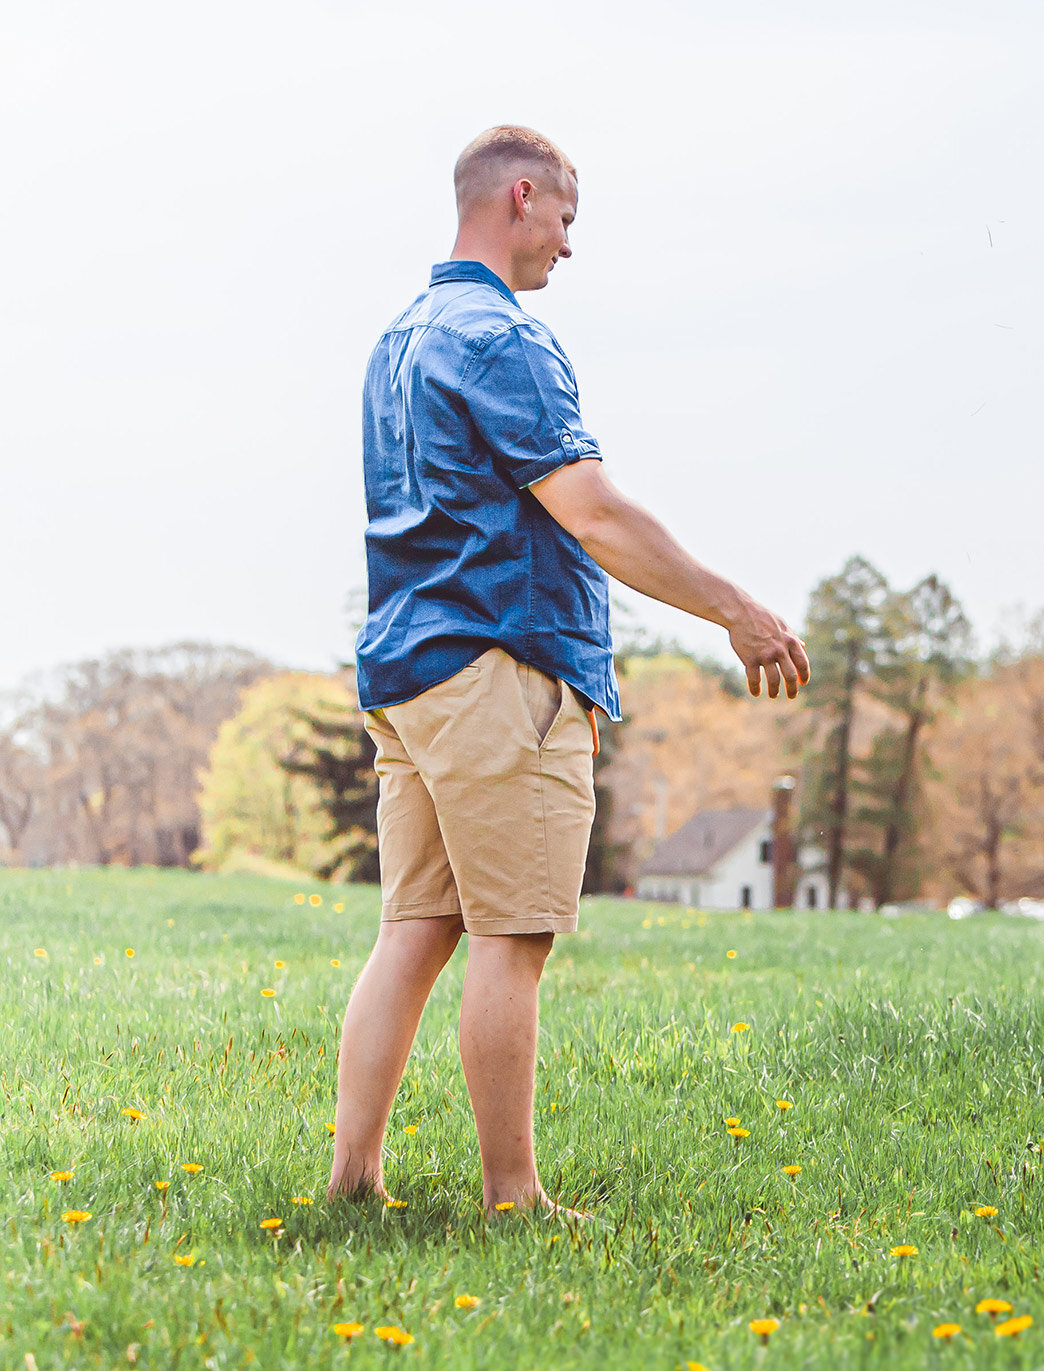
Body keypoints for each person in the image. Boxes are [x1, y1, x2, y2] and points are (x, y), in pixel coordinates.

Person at [332, 125, 810, 1214]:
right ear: (520, 194)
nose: (566, 244)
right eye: (564, 218)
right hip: (501, 665)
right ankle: (514, 1196)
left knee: (412, 930)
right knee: (514, 935)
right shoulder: (505, 336)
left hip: (409, 671)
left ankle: (353, 1178)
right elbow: (588, 507)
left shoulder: (397, 339)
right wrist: (735, 608)